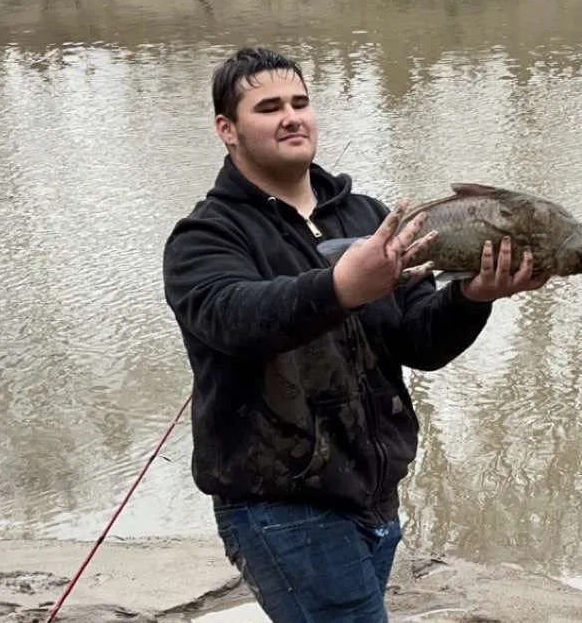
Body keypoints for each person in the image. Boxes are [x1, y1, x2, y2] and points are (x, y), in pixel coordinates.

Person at [163, 46, 545, 623]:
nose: (292, 116)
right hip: (280, 505)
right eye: (268, 107)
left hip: (372, 490)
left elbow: (419, 341)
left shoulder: (365, 217)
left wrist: (472, 298)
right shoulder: (204, 237)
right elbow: (233, 317)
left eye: (301, 102)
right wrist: (341, 286)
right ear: (228, 129)